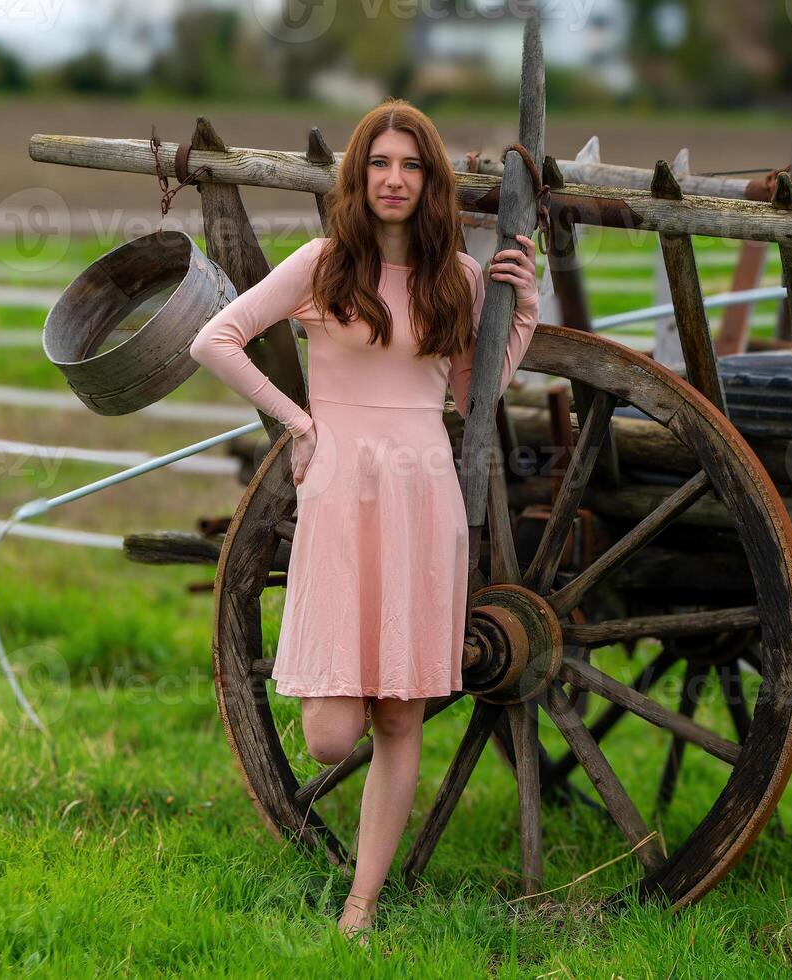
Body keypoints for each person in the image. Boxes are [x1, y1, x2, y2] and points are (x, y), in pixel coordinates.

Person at [188, 98, 539, 944]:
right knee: (330, 733)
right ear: (359, 175)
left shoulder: (454, 275)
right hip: (343, 492)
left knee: (400, 715)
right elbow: (215, 339)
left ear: (430, 183)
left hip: (423, 492)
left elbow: (470, 397)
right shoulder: (322, 264)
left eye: (411, 166)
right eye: (380, 163)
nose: (394, 179)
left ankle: (362, 903)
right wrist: (300, 422)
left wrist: (520, 315)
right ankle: (359, 876)